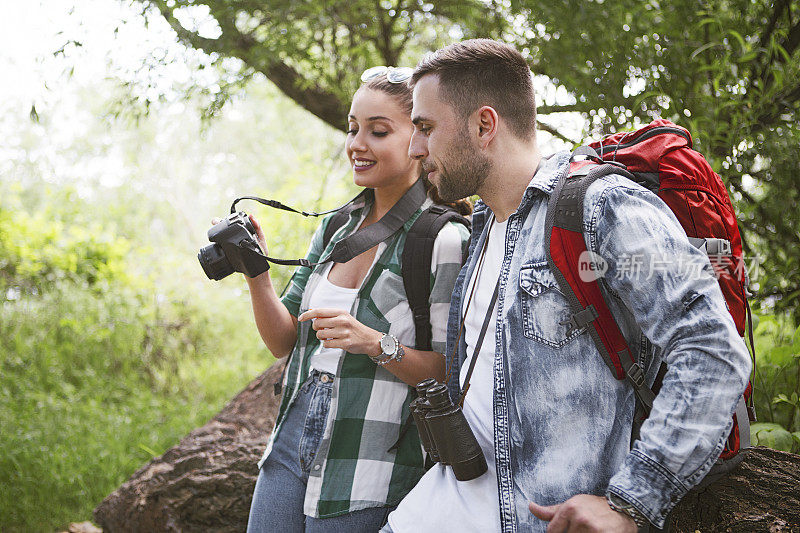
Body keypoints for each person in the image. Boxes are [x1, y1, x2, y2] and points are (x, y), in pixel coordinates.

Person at [383, 39, 752, 532]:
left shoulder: (604, 208)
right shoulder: (480, 229)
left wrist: (632, 502)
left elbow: (712, 350)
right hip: (437, 508)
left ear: (484, 125)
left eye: (425, 127)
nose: (414, 148)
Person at [237, 67, 471, 532]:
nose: (356, 144)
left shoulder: (444, 239)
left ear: (420, 137)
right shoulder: (335, 228)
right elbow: (284, 340)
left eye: (378, 131)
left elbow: (452, 372)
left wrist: (374, 343)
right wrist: (256, 272)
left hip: (372, 457)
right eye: (352, 127)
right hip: (290, 437)